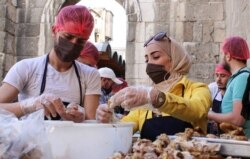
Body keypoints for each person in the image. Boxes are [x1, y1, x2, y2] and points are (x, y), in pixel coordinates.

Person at [96, 32, 211, 141]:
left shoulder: (198, 89)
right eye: (147, 60)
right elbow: (125, 128)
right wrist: (109, 119)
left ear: (175, 59)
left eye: (155, 57)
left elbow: (197, 111)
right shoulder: (144, 100)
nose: (150, 64)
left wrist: (157, 98)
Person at [0, 5, 101, 122]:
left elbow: (91, 121)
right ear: (54, 31)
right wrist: (29, 105)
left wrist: (82, 117)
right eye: (68, 36)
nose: (73, 43)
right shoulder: (26, 68)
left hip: (71, 139)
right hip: (31, 139)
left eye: (81, 41)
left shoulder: (90, 75)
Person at [208, 36, 250, 138]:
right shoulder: (239, 77)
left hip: (243, 145)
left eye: (223, 54)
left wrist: (208, 114)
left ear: (228, 56)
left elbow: (238, 119)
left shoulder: (242, 78)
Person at [207, 64, 231, 134]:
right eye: (217, 75)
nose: (218, 80)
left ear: (231, 77)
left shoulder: (235, 91)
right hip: (214, 132)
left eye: (223, 76)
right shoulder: (212, 87)